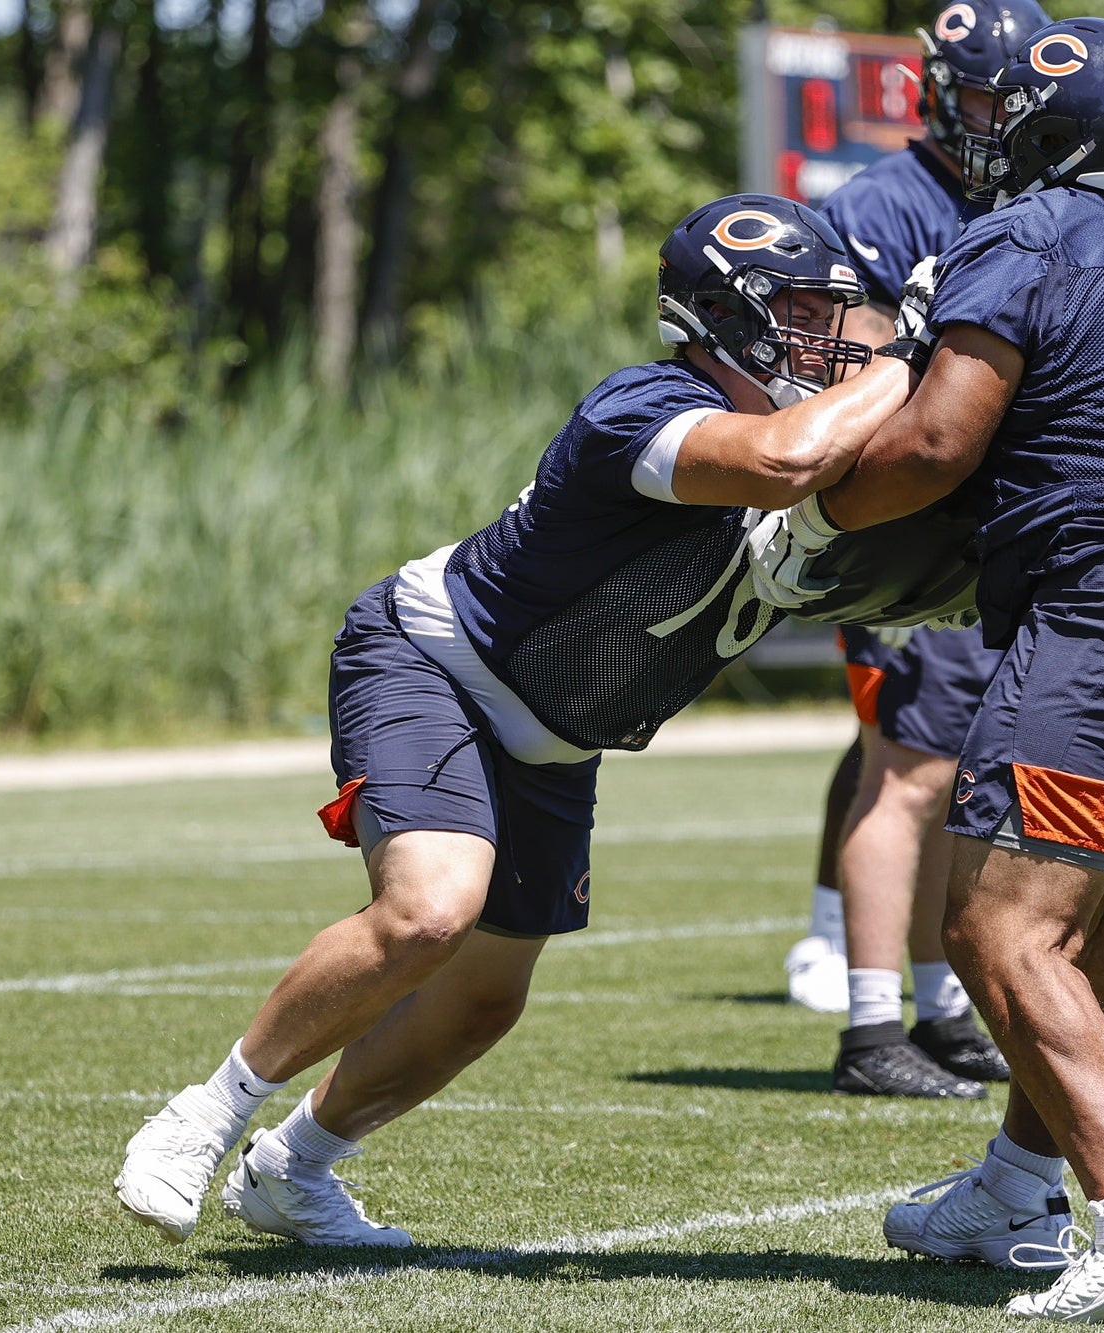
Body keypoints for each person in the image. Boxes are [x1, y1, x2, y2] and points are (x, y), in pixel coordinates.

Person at [112, 193, 916, 1248]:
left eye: (837, 315)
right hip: (435, 661)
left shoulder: (819, 430)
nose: (833, 341)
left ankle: (295, 1171)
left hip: (557, 733)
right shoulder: (639, 405)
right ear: (724, 317)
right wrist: (909, 363)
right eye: (805, 314)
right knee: (430, 910)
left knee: (485, 998)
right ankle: (203, 1115)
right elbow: (776, 462)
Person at [749, 20, 1104, 1321]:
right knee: (1081, 919)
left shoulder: (1026, 232)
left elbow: (938, 445)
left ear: (1061, 130)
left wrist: (816, 525)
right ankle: (1014, 1183)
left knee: (995, 925)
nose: (985, 132)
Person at [784, 0, 1047, 1101]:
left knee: (953, 770)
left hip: (982, 531)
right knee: (905, 771)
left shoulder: (1020, 201)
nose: (1003, 121)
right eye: (988, 98)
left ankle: (937, 1006)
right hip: (902, 522)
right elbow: (831, 375)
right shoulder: (879, 207)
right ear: (940, 91)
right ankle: (869, 1021)